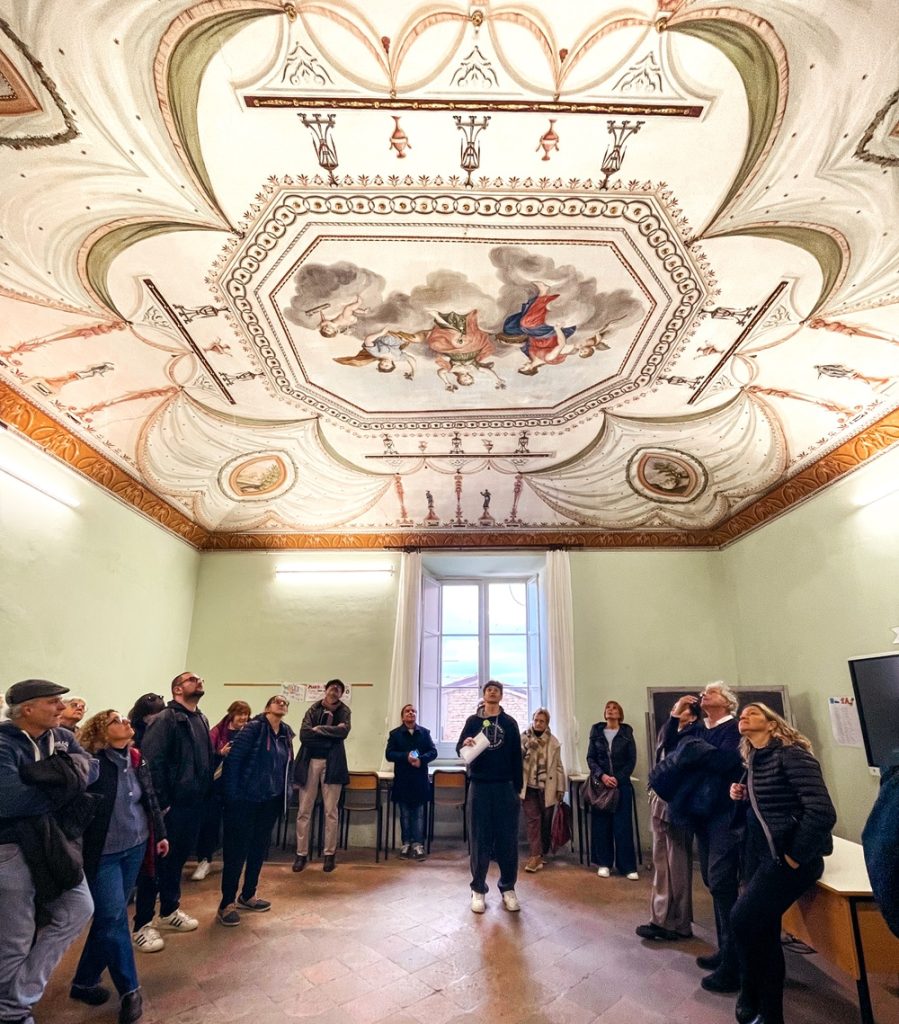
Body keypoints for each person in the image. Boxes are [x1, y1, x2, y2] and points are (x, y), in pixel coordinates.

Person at [729, 704, 836, 1024]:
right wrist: (741, 797)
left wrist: (794, 856)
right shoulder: (754, 759)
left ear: (772, 724)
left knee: (742, 920)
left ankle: (752, 993)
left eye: (753, 713)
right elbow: (770, 809)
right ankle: (767, 1010)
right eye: (742, 714)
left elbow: (821, 812)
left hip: (787, 861)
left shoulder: (792, 755)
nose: (743, 716)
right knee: (763, 931)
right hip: (761, 856)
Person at [0, 679, 98, 1024]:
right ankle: (12, 1013)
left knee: (79, 908)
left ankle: (15, 999)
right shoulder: (4, 744)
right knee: (16, 937)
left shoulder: (62, 737)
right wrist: (67, 785)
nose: (62, 707)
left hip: (52, 841)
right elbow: (9, 800)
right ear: (27, 709)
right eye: (53, 701)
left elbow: (92, 767)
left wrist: (46, 777)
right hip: (10, 847)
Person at [72, 710, 169, 1024]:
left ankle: (85, 980)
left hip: (136, 847)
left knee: (108, 919)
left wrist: (160, 834)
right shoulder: (92, 763)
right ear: (101, 732)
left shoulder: (137, 758)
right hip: (104, 854)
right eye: (116, 720)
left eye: (125, 719)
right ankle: (130, 990)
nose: (126, 722)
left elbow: (149, 798)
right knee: (114, 917)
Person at [135, 672, 213, 942]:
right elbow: (151, 763)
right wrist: (163, 804)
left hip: (193, 804)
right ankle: (142, 924)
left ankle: (169, 911)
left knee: (177, 861)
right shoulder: (165, 719)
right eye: (192, 679)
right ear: (177, 689)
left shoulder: (200, 718)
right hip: (171, 806)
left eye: (200, 679)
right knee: (156, 866)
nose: (199, 681)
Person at [217, 696, 294, 926]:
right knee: (236, 851)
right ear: (267, 707)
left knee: (259, 849)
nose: (281, 703)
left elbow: (287, 767)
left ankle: (248, 895)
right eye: (277, 701)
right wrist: (232, 796)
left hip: (270, 801)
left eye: (285, 702)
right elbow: (233, 761)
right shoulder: (253, 728)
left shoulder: (286, 734)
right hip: (245, 800)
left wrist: (285, 795)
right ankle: (227, 903)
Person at [690, 682, 744, 993]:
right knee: (713, 882)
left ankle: (734, 965)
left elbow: (727, 761)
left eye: (711, 692)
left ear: (726, 702)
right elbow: (679, 751)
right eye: (704, 692)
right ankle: (726, 950)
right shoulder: (701, 729)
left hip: (725, 815)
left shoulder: (734, 729)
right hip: (703, 813)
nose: (704, 695)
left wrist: (696, 754)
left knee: (723, 882)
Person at [636, 694, 703, 941]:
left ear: (692, 717)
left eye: (682, 709)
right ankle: (663, 918)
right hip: (662, 802)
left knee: (677, 865)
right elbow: (665, 740)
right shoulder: (672, 733)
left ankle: (676, 922)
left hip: (677, 805)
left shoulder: (694, 736)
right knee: (662, 862)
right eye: (674, 708)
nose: (675, 712)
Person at [456, 680, 523, 913]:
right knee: (479, 838)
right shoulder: (473, 722)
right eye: (489, 690)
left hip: (505, 787)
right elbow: (460, 748)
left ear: (501, 696)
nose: (492, 692)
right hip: (480, 786)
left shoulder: (509, 723)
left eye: (496, 690)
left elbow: (517, 758)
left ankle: (508, 888)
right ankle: (478, 889)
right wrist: (465, 743)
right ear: (483, 695)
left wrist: (518, 789)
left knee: (507, 839)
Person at [293, 679, 351, 873]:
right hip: (309, 762)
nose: (334, 691)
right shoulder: (313, 709)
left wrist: (319, 730)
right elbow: (304, 735)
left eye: (338, 690)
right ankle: (301, 854)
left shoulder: (344, 711)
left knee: (331, 811)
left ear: (341, 694)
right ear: (326, 690)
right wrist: (330, 737)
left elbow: (344, 731)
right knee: (304, 810)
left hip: (333, 764)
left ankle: (329, 854)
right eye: (332, 688)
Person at [192, 700, 251, 881]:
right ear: (232, 714)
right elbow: (204, 756)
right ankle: (205, 860)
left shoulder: (250, 733)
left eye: (246, 714)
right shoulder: (216, 732)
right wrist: (220, 753)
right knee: (209, 824)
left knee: (235, 826)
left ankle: (232, 862)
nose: (243, 718)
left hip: (239, 788)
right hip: (215, 786)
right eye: (240, 713)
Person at [586, 700, 638, 880]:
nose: (610, 710)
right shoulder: (596, 732)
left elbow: (631, 760)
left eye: (614, 708)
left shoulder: (626, 733)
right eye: (607, 707)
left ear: (620, 714)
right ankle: (604, 863)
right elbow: (591, 758)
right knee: (602, 825)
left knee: (623, 826)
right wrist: (602, 776)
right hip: (601, 786)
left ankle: (627, 867)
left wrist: (618, 778)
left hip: (621, 785)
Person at [385, 704, 438, 860]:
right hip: (402, 779)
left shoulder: (424, 733)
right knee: (405, 814)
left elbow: (433, 752)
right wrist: (405, 756)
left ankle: (418, 844)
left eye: (413, 711)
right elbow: (389, 754)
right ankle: (406, 843)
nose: (411, 713)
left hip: (419, 779)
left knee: (419, 814)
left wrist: (421, 760)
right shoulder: (395, 734)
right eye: (407, 711)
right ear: (402, 716)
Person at [519, 707, 565, 872]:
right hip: (528, 786)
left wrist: (561, 788)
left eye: (542, 721)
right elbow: (515, 759)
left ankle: (541, 852)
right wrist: (526, 748)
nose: (538, 724)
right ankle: (535, 856)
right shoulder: (523, 737)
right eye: (536, 720)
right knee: (533, 821)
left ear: (547, 724)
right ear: (532, 720)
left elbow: (558, 766)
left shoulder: (553, 742)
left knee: (545, 822)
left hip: (547, 788)